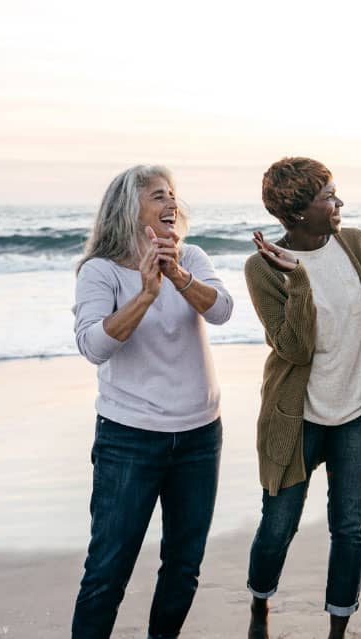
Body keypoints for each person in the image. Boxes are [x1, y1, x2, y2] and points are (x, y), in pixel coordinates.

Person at [244, 157, 361, 639]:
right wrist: (299, 282)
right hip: (294, 417)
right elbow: (295, 348)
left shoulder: (357, 244)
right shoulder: (262, 267)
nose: (338, 203)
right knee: (278, 527)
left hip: (356, 413)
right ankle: (260, 604)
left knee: (349, 529)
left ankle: (338, 632)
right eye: (328, 196)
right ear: (298, 211)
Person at [71, 164, 233, 639]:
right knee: (108, 570)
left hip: (201, 434)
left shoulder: (193, 257)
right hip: (129, 439)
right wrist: (145, 294)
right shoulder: (99, 272)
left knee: (183, 566)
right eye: (159, 195)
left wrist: (178, 275)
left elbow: (222, 310)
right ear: (130, 207)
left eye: (174, 195)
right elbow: (93, 346)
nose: (172, 204)